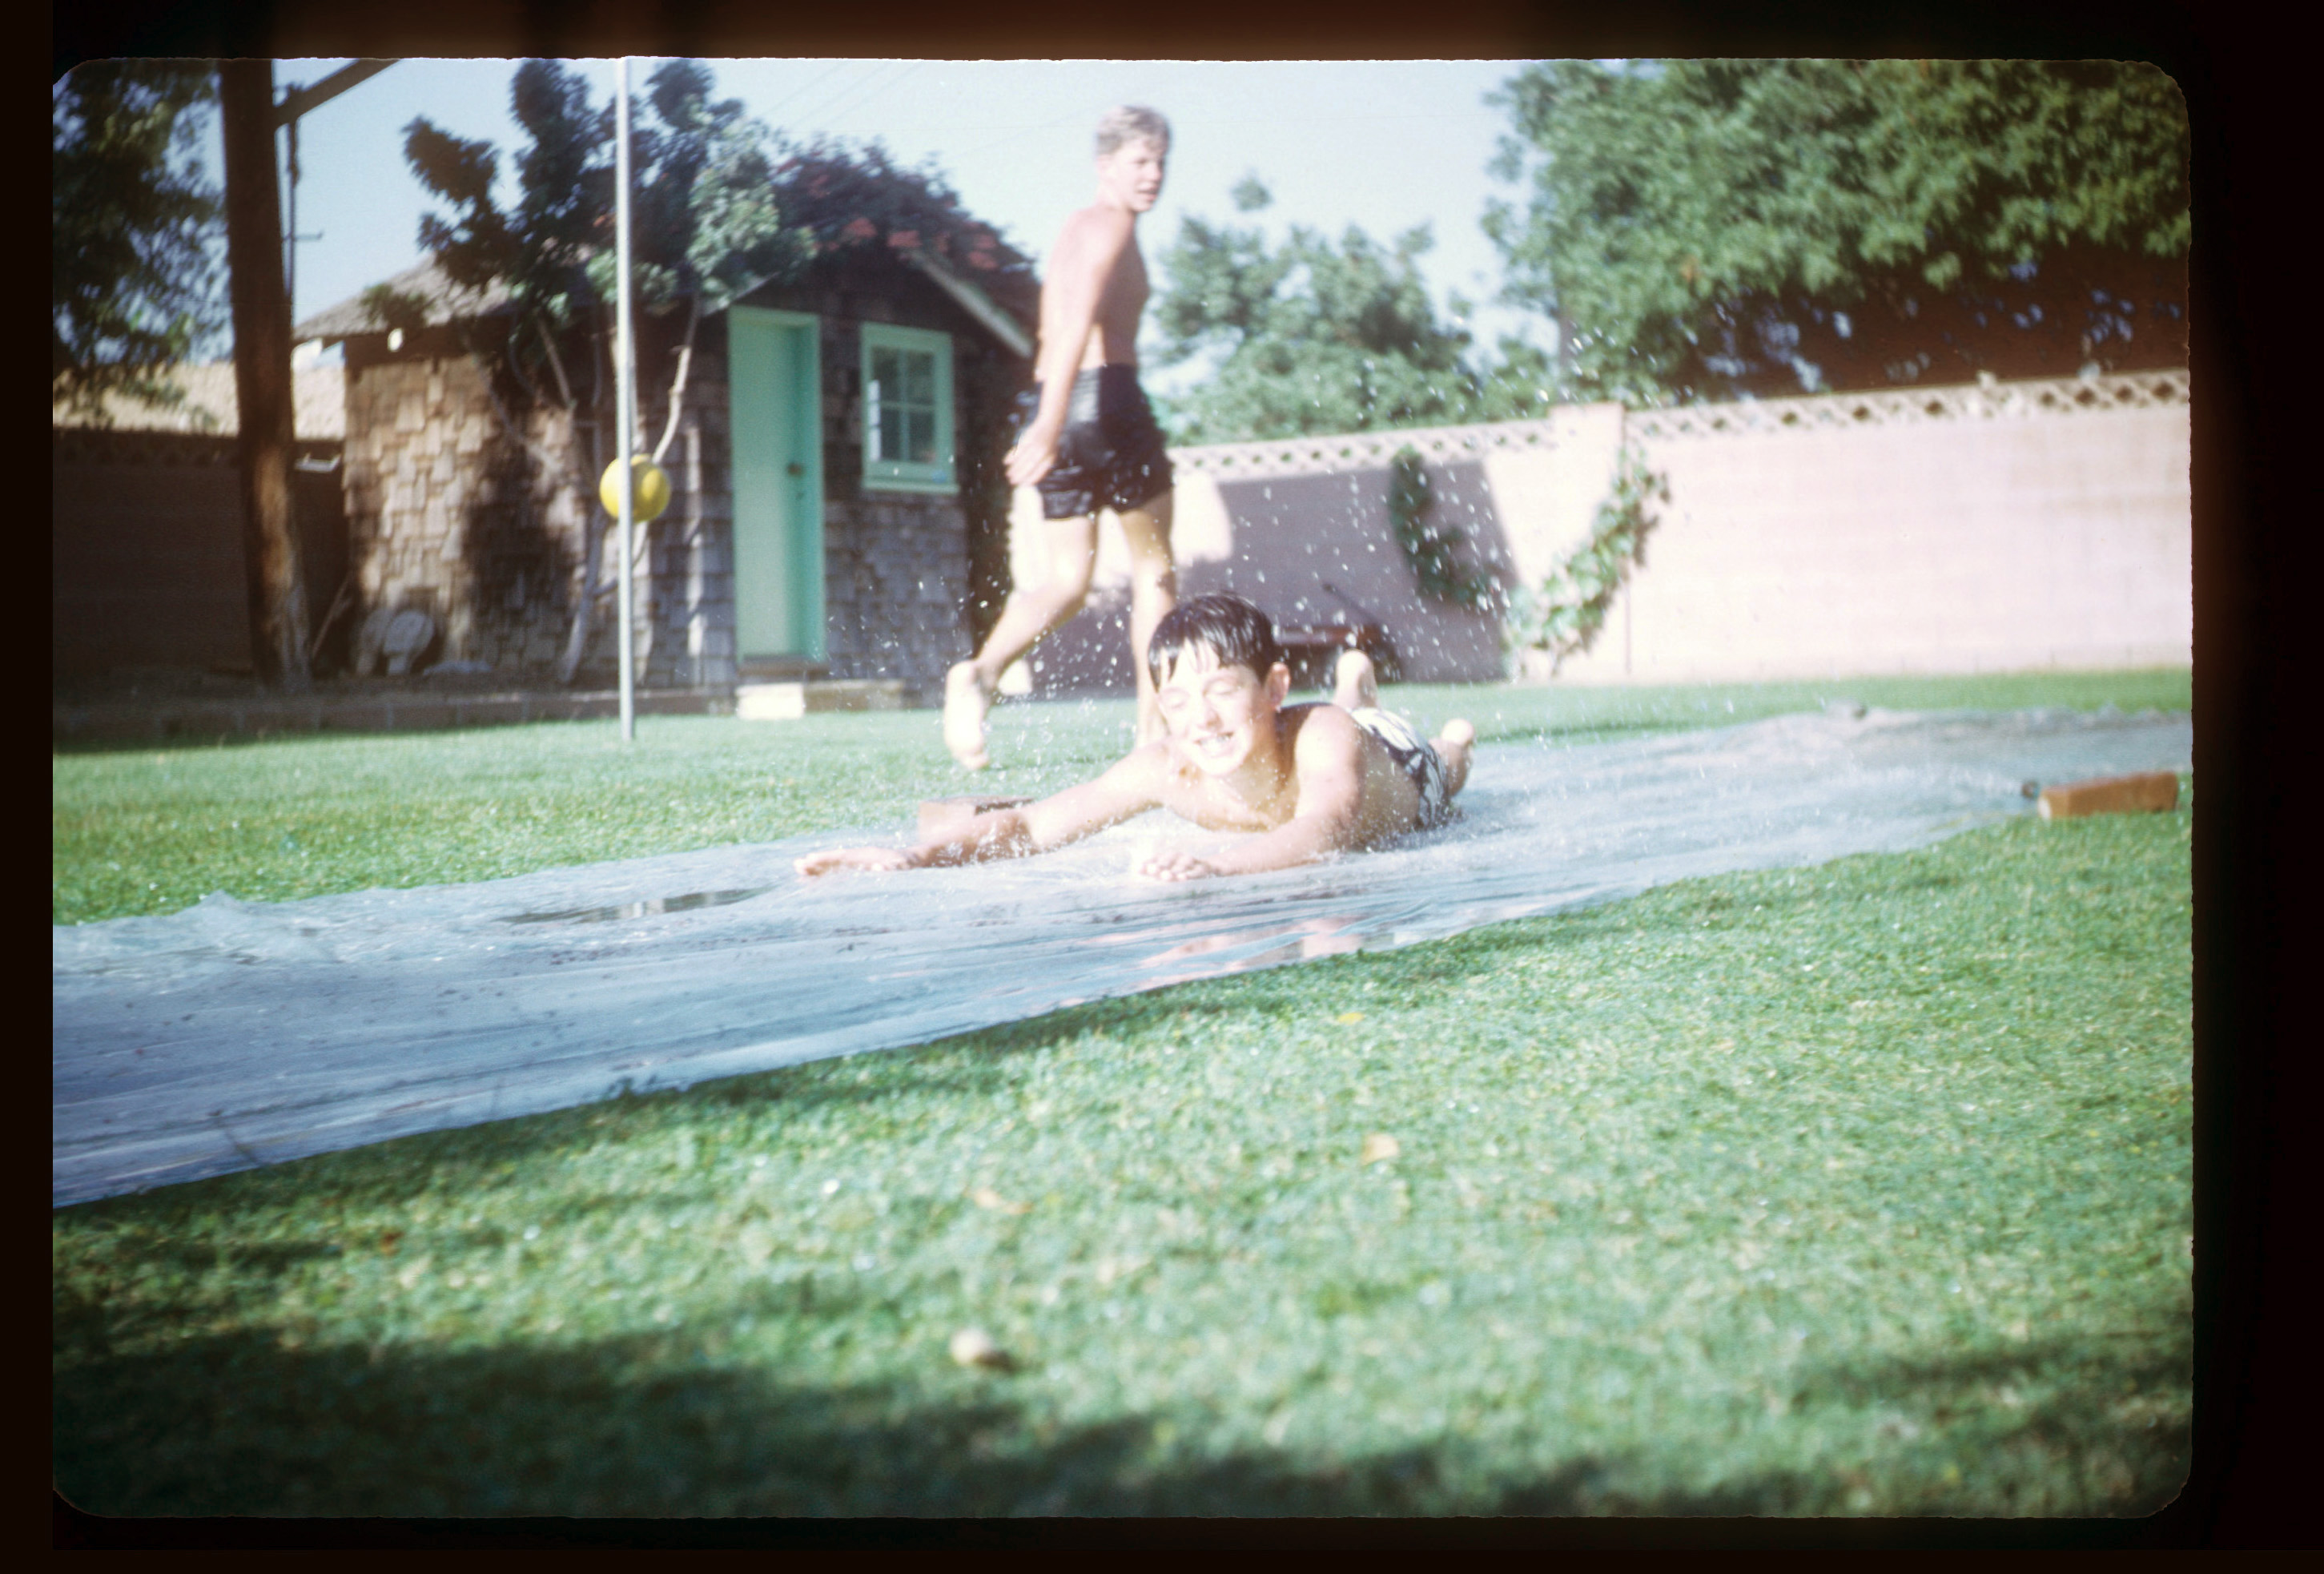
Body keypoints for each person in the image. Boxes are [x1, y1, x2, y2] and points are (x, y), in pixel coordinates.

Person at [803, 594, 1475, 882]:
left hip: (1402, 763)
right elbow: (1031, 825)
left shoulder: (1321, 737)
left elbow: (1324, 827)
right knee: (1348, 714)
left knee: (1444, 767)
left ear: (1274, 687)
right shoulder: (1169, 766)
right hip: (1332, 734)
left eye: (1222, 690)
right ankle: (1354, 681)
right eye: (1178, 701)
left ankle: (1432, 729)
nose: (1201, 719)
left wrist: (1218, 867)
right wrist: (917, 854)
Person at [943, 105, 1180, 770]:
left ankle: (980, 672)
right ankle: (1152, 738)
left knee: (1068, 581)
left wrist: (1048, 421)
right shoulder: (1112, 227)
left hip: (1055, 400)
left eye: (1161, 162)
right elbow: (1076, 322)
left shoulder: (1075, 227)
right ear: (1105, 165)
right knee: (1155, 571)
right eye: (1140, 161)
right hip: (1106, 400)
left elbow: (1059, 329)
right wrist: (1048, 427)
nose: (1154, 174)